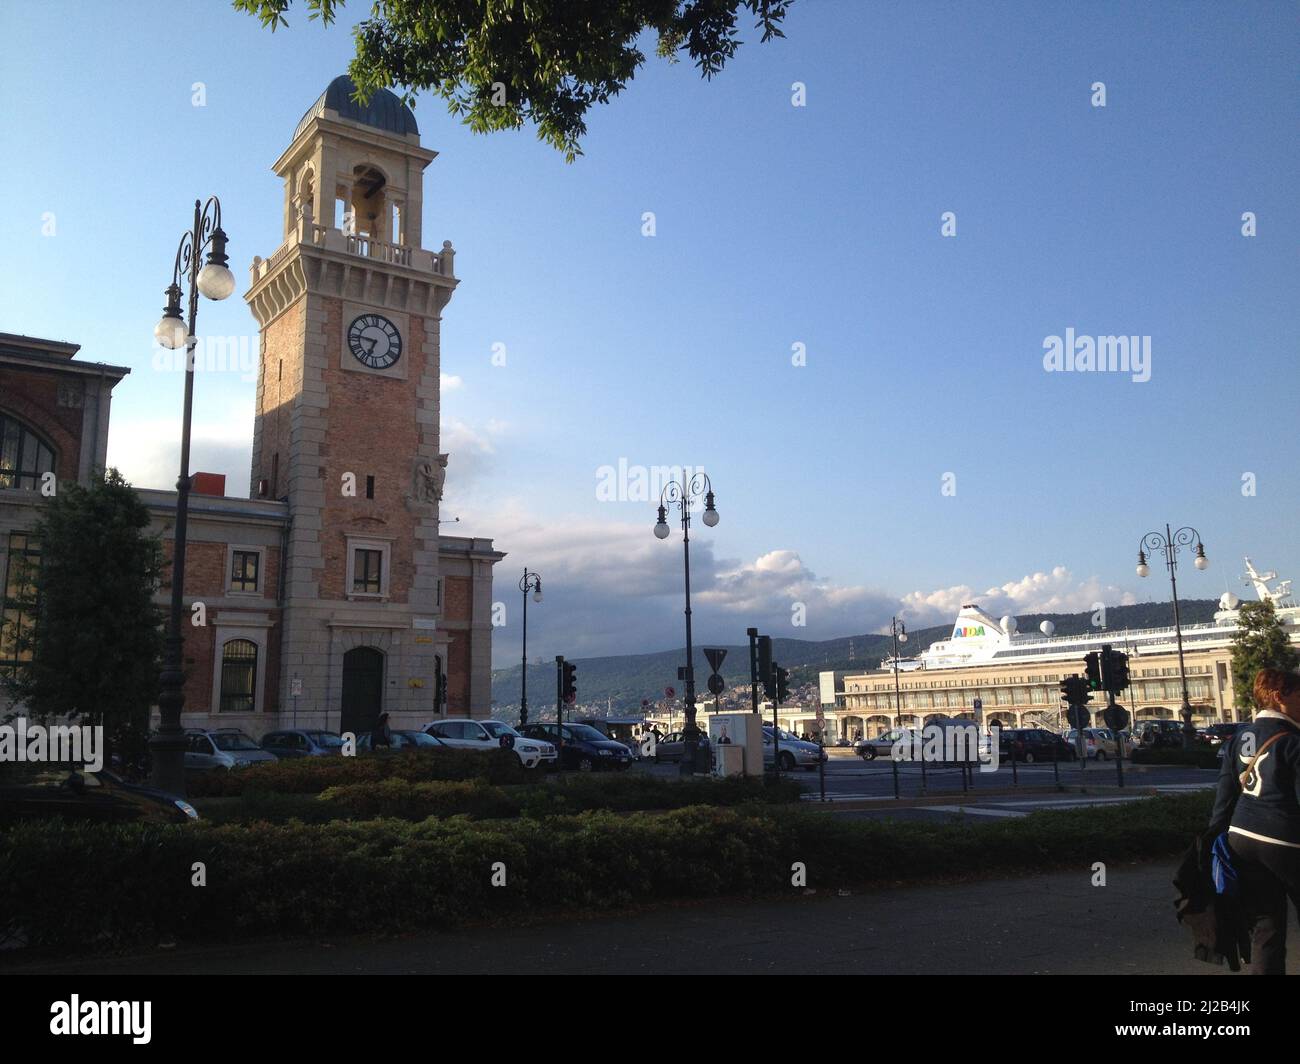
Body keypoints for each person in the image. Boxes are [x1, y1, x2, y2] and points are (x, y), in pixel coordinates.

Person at [1206, 667, 1300, 974]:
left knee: (1266, 925)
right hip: (1284, 841)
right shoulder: (1293, 742)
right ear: (1278, 697)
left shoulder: (1240, 736)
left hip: (1241, 838)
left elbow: (1225, 793)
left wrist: (1214, 838)